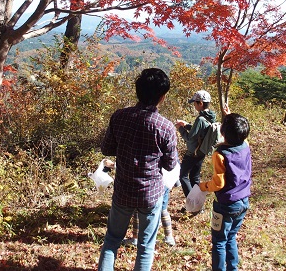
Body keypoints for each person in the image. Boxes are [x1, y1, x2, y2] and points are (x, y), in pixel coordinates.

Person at [98, 68, 179, 271]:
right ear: (162, 96)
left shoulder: (119, 117)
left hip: (123, 189)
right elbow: (170, 164)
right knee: (146, 246)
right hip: (150, 194)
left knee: (112, 240)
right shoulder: (166, 127)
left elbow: (106, 148)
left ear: (137, 91)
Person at [199, 113, 252, 271]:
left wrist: (203, 186)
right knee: (231, 237)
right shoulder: (245, 145)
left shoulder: (220, 154)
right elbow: (236, 132)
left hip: (226, 205)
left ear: (222, 132)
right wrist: (229, 116)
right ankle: (233, 268)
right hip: (243, 201)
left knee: (219, 241)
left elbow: (219, 183)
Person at [175, 90, 216, 200]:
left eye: (195, 103)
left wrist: (180, 128)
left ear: (200, 103)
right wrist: (187, 125)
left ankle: (192, 203)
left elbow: (189, 138)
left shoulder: (201, 119)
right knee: (194, 177)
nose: (194, 105)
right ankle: (199, 203)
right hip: (201, 152)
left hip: (193, 153)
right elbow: (200, 131)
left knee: (183, 176)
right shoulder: (211, 116)